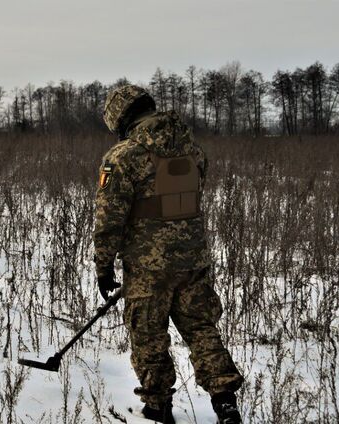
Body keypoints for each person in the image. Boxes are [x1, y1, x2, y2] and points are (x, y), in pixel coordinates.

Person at [94, 85, 243, 424]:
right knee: (202, 327)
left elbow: (109, 219)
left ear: (121, 117)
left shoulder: (122, 156)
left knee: (148, 333)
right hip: (192, 259)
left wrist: (103, 265)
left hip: (149, 266)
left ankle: (157, 407)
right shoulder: (192, 147)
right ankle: (225, 403)